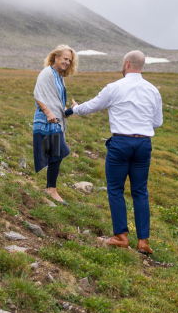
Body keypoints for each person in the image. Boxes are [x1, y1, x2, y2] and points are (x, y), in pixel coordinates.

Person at [69, 50, 163, 254]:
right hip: (144, 144)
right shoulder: (153, 90)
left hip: (121, 142)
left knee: (115, 189)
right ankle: (143, 242)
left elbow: (90, 107)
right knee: (140, 191)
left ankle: (121, 236)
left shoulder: (115, 87)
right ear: (141, 65)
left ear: (127, 63)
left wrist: (75, 108)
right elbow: (157, 122)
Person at [33, 45, 77, 204]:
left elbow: (57, 103)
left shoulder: (59, 76)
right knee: (58, 152)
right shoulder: (47, 73)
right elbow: (37, 94)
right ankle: (51, 189)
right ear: (56, 57)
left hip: (55, 120)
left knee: (55, 153)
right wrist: (49, 113)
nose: (67, 62)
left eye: (69, 60)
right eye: (65, 59)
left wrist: (69, 111)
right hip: (46, 120)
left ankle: (50, 189)